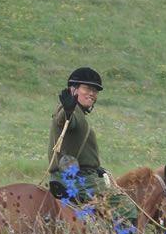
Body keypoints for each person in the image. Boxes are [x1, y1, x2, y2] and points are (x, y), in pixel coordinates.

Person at [47, 67, 137, 225]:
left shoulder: (80, 113)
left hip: (79, 175)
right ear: (73, 89)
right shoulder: (71, 111)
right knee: (128, 208)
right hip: (77, 180)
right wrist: (67, 111)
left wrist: (95, 168)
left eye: (95, 91)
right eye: (87, 88)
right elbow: (64, 121)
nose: (92, 94)